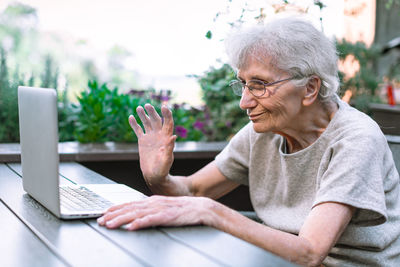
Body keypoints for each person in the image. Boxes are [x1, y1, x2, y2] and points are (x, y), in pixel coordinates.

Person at [97, 17, 400, 266]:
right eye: (243, 84)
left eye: (259, 85)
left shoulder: (356, 139)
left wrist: (211, 211)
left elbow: (309, 252)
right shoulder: (263, 131)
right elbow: (192, 190)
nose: (244, 102)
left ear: (309, 88)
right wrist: (158, 178)